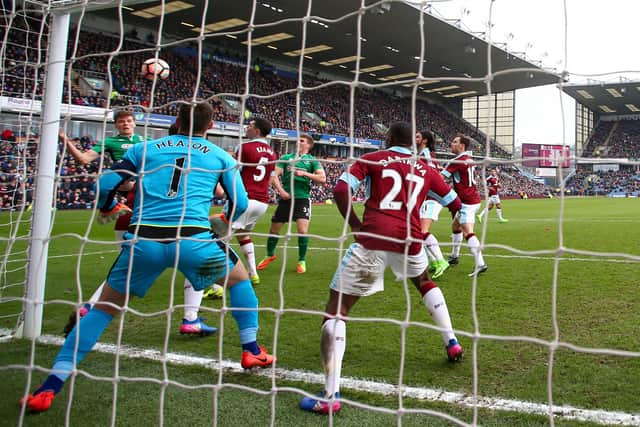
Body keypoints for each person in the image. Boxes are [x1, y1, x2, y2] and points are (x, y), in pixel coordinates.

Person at [20, 102, 275, 413]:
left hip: (143, 242)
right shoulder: (220, 155)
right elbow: (241, 201)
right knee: (239, 280)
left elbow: (104, 183)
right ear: (209, 126)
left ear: (177, 121)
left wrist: (106, 208)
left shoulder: (145, 148)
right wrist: (225, 224)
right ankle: (251, 350)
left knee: (102, 310)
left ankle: (49, 387)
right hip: (193, 240)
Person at [299, 122, 463, 415]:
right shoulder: (426, 169)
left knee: (337, 309)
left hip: (374, 238)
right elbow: (453, 200)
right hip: (410, 240)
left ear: (388, 139)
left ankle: (330, 394)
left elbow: (340, 189)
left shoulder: (372, 159)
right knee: (424, 281)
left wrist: (354, 224)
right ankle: (451, 341)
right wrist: (452, 218)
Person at [61, 111, 216, 336]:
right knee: (199, 265)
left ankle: (90, 306)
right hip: (156, 215)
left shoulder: (146, 145)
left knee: (125, 271)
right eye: (121, 120)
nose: (126, 123)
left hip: (134, 211)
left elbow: (110, 180)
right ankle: (191, 318)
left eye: (129, 120)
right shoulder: (151, 151)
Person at [209, 118, 277, 287]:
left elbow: (233, 172)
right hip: (262, 203)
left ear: (257, 131)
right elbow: (270, 178)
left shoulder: (245, 147)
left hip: (244, 200)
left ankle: (217, 286)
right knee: (243, 235)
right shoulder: (272, 153)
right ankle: (253, 274)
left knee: (219, 237)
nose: (247, 128)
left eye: (251, 126)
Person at [257, 134, 326, 274]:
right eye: (298, 140)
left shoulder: (312, 161)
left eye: (302, 141)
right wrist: (281, 191)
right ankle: (269, 255)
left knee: (302, 231)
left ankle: (301, 260)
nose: (298, 142)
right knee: (274, 230)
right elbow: (274, 176)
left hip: (302, 199)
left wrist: (305, 174)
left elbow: (322, 178)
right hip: (286, 199)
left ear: (308, 145)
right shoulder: (286, 158)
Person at [441, 134, 488, 277]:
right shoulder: (469, 159)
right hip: (472, 199)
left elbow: (441, 178)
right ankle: (455, 257)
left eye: (455, 142)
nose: (451, 143)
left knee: (468, 231)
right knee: (456, 226)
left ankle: (480, 263)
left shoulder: (457, 160)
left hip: (467, 202)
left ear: (462, 146)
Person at [416, 130, 450, 279]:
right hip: (427, 198)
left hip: (432, 198)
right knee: (418, 232)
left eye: (417, 136)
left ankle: (441, 261)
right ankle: (434, 262)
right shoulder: (423, 155)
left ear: (424, 141)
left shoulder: (426, 155)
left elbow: (433, 176)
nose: (414, 138)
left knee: (422, 232)